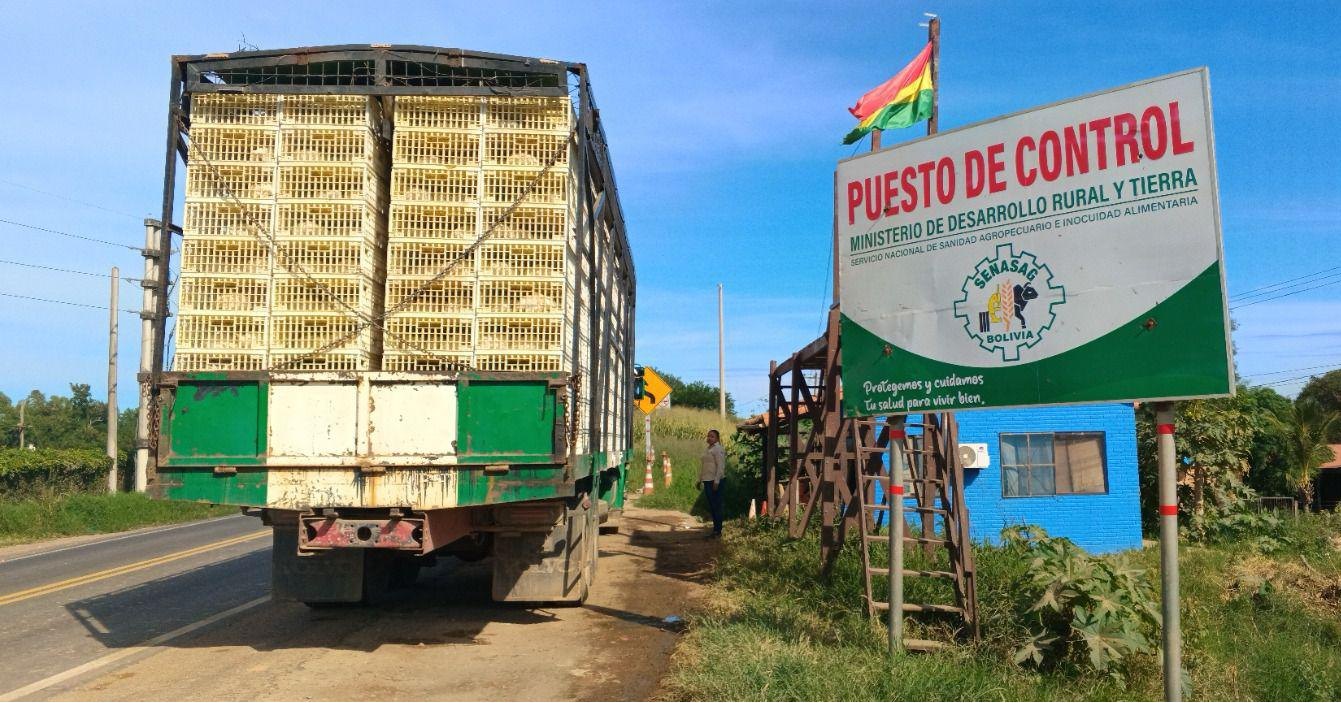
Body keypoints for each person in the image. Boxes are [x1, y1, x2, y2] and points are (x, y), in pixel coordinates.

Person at [700, 429, 727, 538]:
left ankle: (718, 531)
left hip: (715, 481)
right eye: (708, 436)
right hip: (707, 480)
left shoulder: (718, 449)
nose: (709, 438)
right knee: (712, 506)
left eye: (712, 436)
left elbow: (720, 466)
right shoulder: (708, 449)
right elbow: (704, 466)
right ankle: (715, 529)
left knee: (717, 506)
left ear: (717, 439)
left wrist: (716, 481)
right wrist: (699, 479)